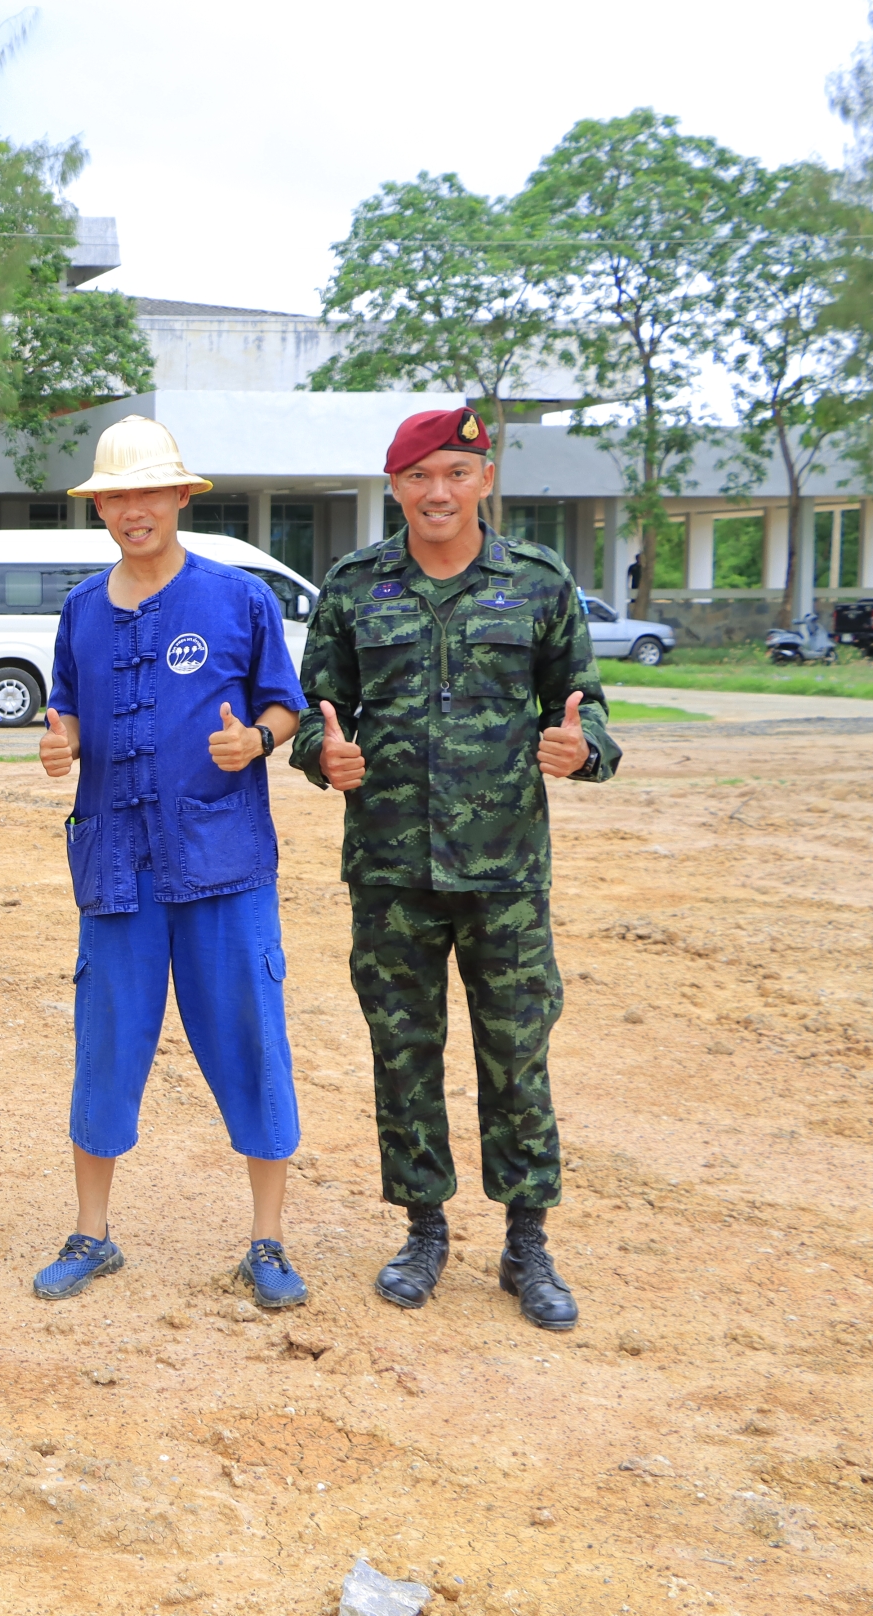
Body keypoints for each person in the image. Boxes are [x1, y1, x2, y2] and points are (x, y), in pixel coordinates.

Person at [290, 406, 617, 1331]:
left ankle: (527, 1243)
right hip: (391, 873)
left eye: (456, 473)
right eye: (419, 476)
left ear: (484, 480)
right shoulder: (354, 587)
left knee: (517, 1056)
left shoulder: (539, 582)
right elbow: (317, 712)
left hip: (505, 874)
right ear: (395, 486)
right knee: (404, 1055)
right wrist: (321, 755)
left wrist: (583, 749)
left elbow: (586, 708)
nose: (439, 492)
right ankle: (424, 1230)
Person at [34, 416, 310, 1308]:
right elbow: (69, 710)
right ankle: (92, 1232)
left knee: (250, 1040)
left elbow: (284, 705)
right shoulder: (81, 609)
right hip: (117, 865)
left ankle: (268, 1241)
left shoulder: (239, 599)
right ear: (99, 507)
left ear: (182, 497)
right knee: (105, 1045)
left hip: (223, 858)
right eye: (116, 496)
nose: (133, 510)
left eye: (149, 491)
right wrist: (63, 743)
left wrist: (256, 742)